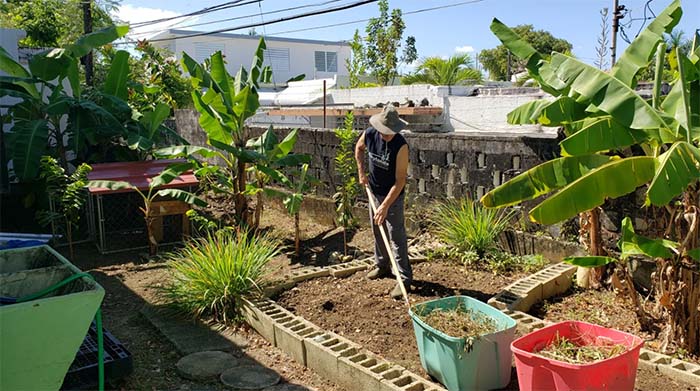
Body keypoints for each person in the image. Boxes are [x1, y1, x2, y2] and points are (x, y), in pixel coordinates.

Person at [355, 105, 412, 299]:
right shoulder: (370, 134)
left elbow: (400, 180)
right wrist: (361, 172)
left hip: (393, 196)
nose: (388, 136)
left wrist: (385, 205)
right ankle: (382, 266)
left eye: (391, 133)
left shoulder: (401, 146)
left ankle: (404, 278)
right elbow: (358, 148)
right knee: (377, 228)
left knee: (396, 236)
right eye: (385, 132)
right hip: (374, 190)